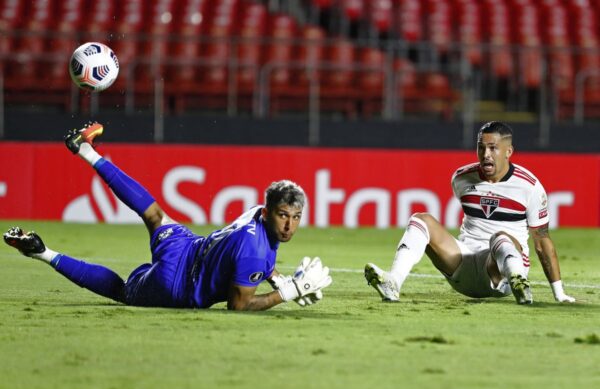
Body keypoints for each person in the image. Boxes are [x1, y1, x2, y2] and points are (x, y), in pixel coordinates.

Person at [4, 122, 332, 311]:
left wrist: (279, 277)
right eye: (283, 215)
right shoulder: (255, 251)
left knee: (154, 213)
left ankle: (87, 151)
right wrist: (287, 293)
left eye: (296, 216)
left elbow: (253, 258)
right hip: (177, 286)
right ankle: (42, 252)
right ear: (268, 212)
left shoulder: (254, 216)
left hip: (185, 246)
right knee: (121, 291)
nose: (289, 225)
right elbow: (239, 307)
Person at [364, 121, 575, 305]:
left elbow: (542, 241)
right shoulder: (462, 178)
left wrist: (559, 293)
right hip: (462, 267)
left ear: (509, 151)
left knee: (499, 237)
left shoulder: (529, 186)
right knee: (421, 220)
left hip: (500, 273)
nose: (486, 155)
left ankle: (520, 283)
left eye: (493, 148)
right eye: (481, 148)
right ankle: (393, 282)